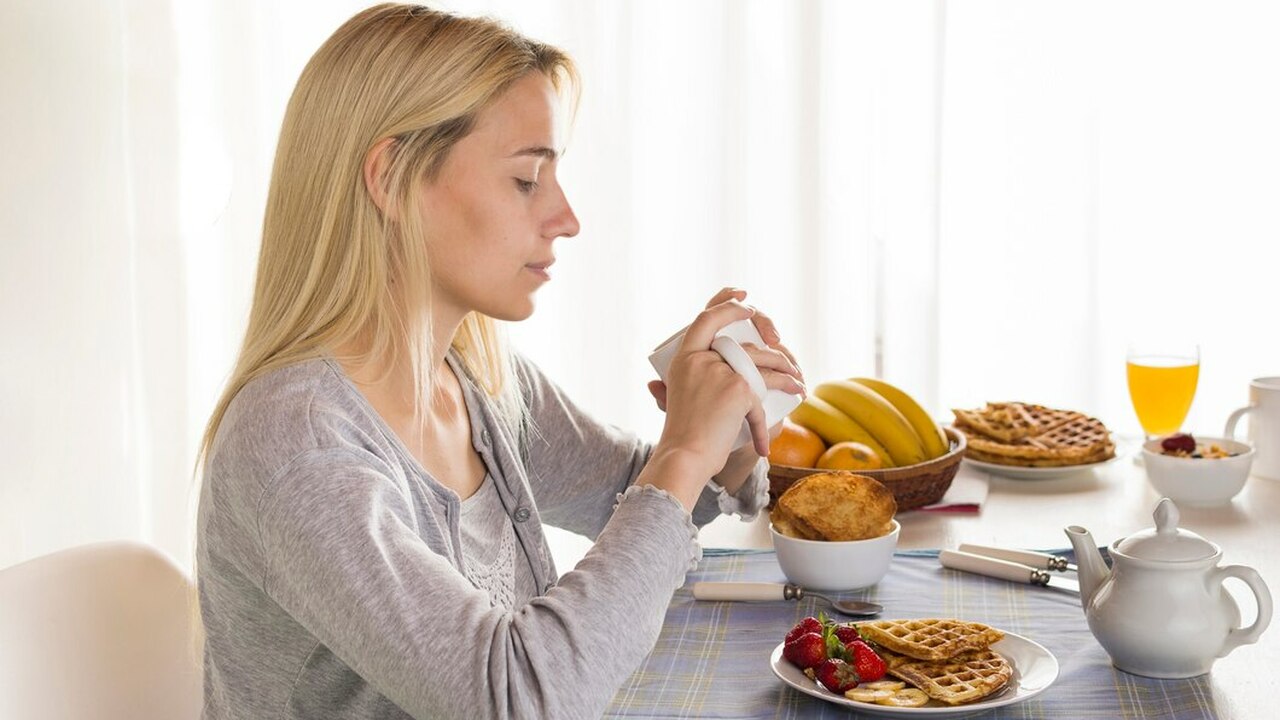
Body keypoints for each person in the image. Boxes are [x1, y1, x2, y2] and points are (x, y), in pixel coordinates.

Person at [195, 4, 805, 719]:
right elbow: (515, 699)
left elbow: (633, 500)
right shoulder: (295, 443)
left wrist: (722, 432)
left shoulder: (476, 376)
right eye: (526, 180)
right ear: (390, 178)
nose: (566, 218)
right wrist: (684, 453)